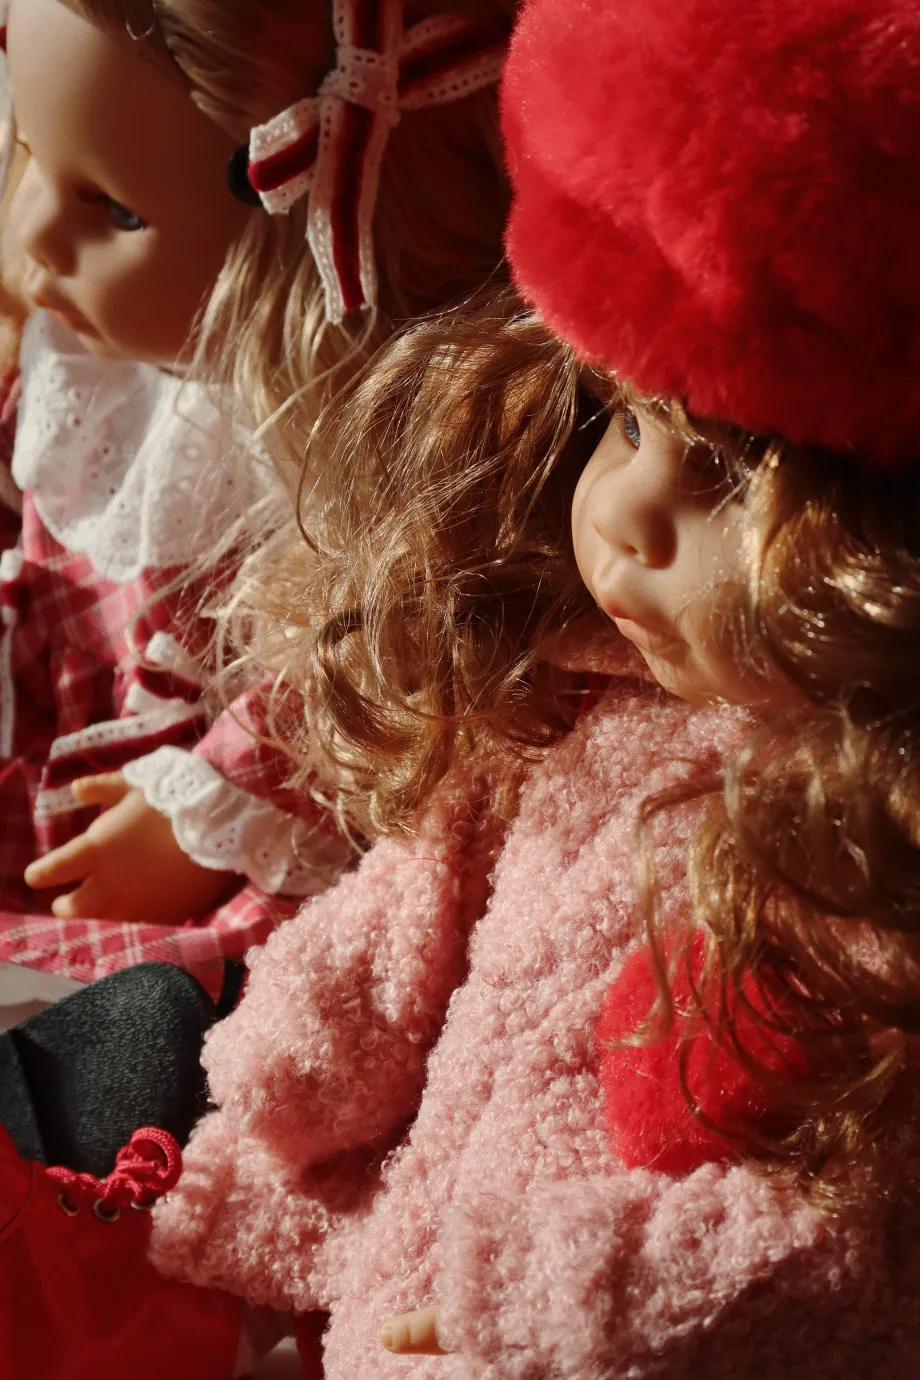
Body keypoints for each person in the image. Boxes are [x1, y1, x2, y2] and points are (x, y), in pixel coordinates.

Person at [150, 0, 920, 1374]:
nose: (619, 513)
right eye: (622, 421)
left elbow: (839, 1241)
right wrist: (316, 1027)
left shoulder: (860, 875)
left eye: (726, 473)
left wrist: (548, 1297)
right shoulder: (573, 686)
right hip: (412, 1259)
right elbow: (428, 881)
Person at [0, 0, 512, 989]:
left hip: (214, 816)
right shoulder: (98, 360)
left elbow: (383, 654)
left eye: (116, 212)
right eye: (28, 153)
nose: (37, 235)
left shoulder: (369, 444)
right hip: (58, 733)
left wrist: (204, 811)